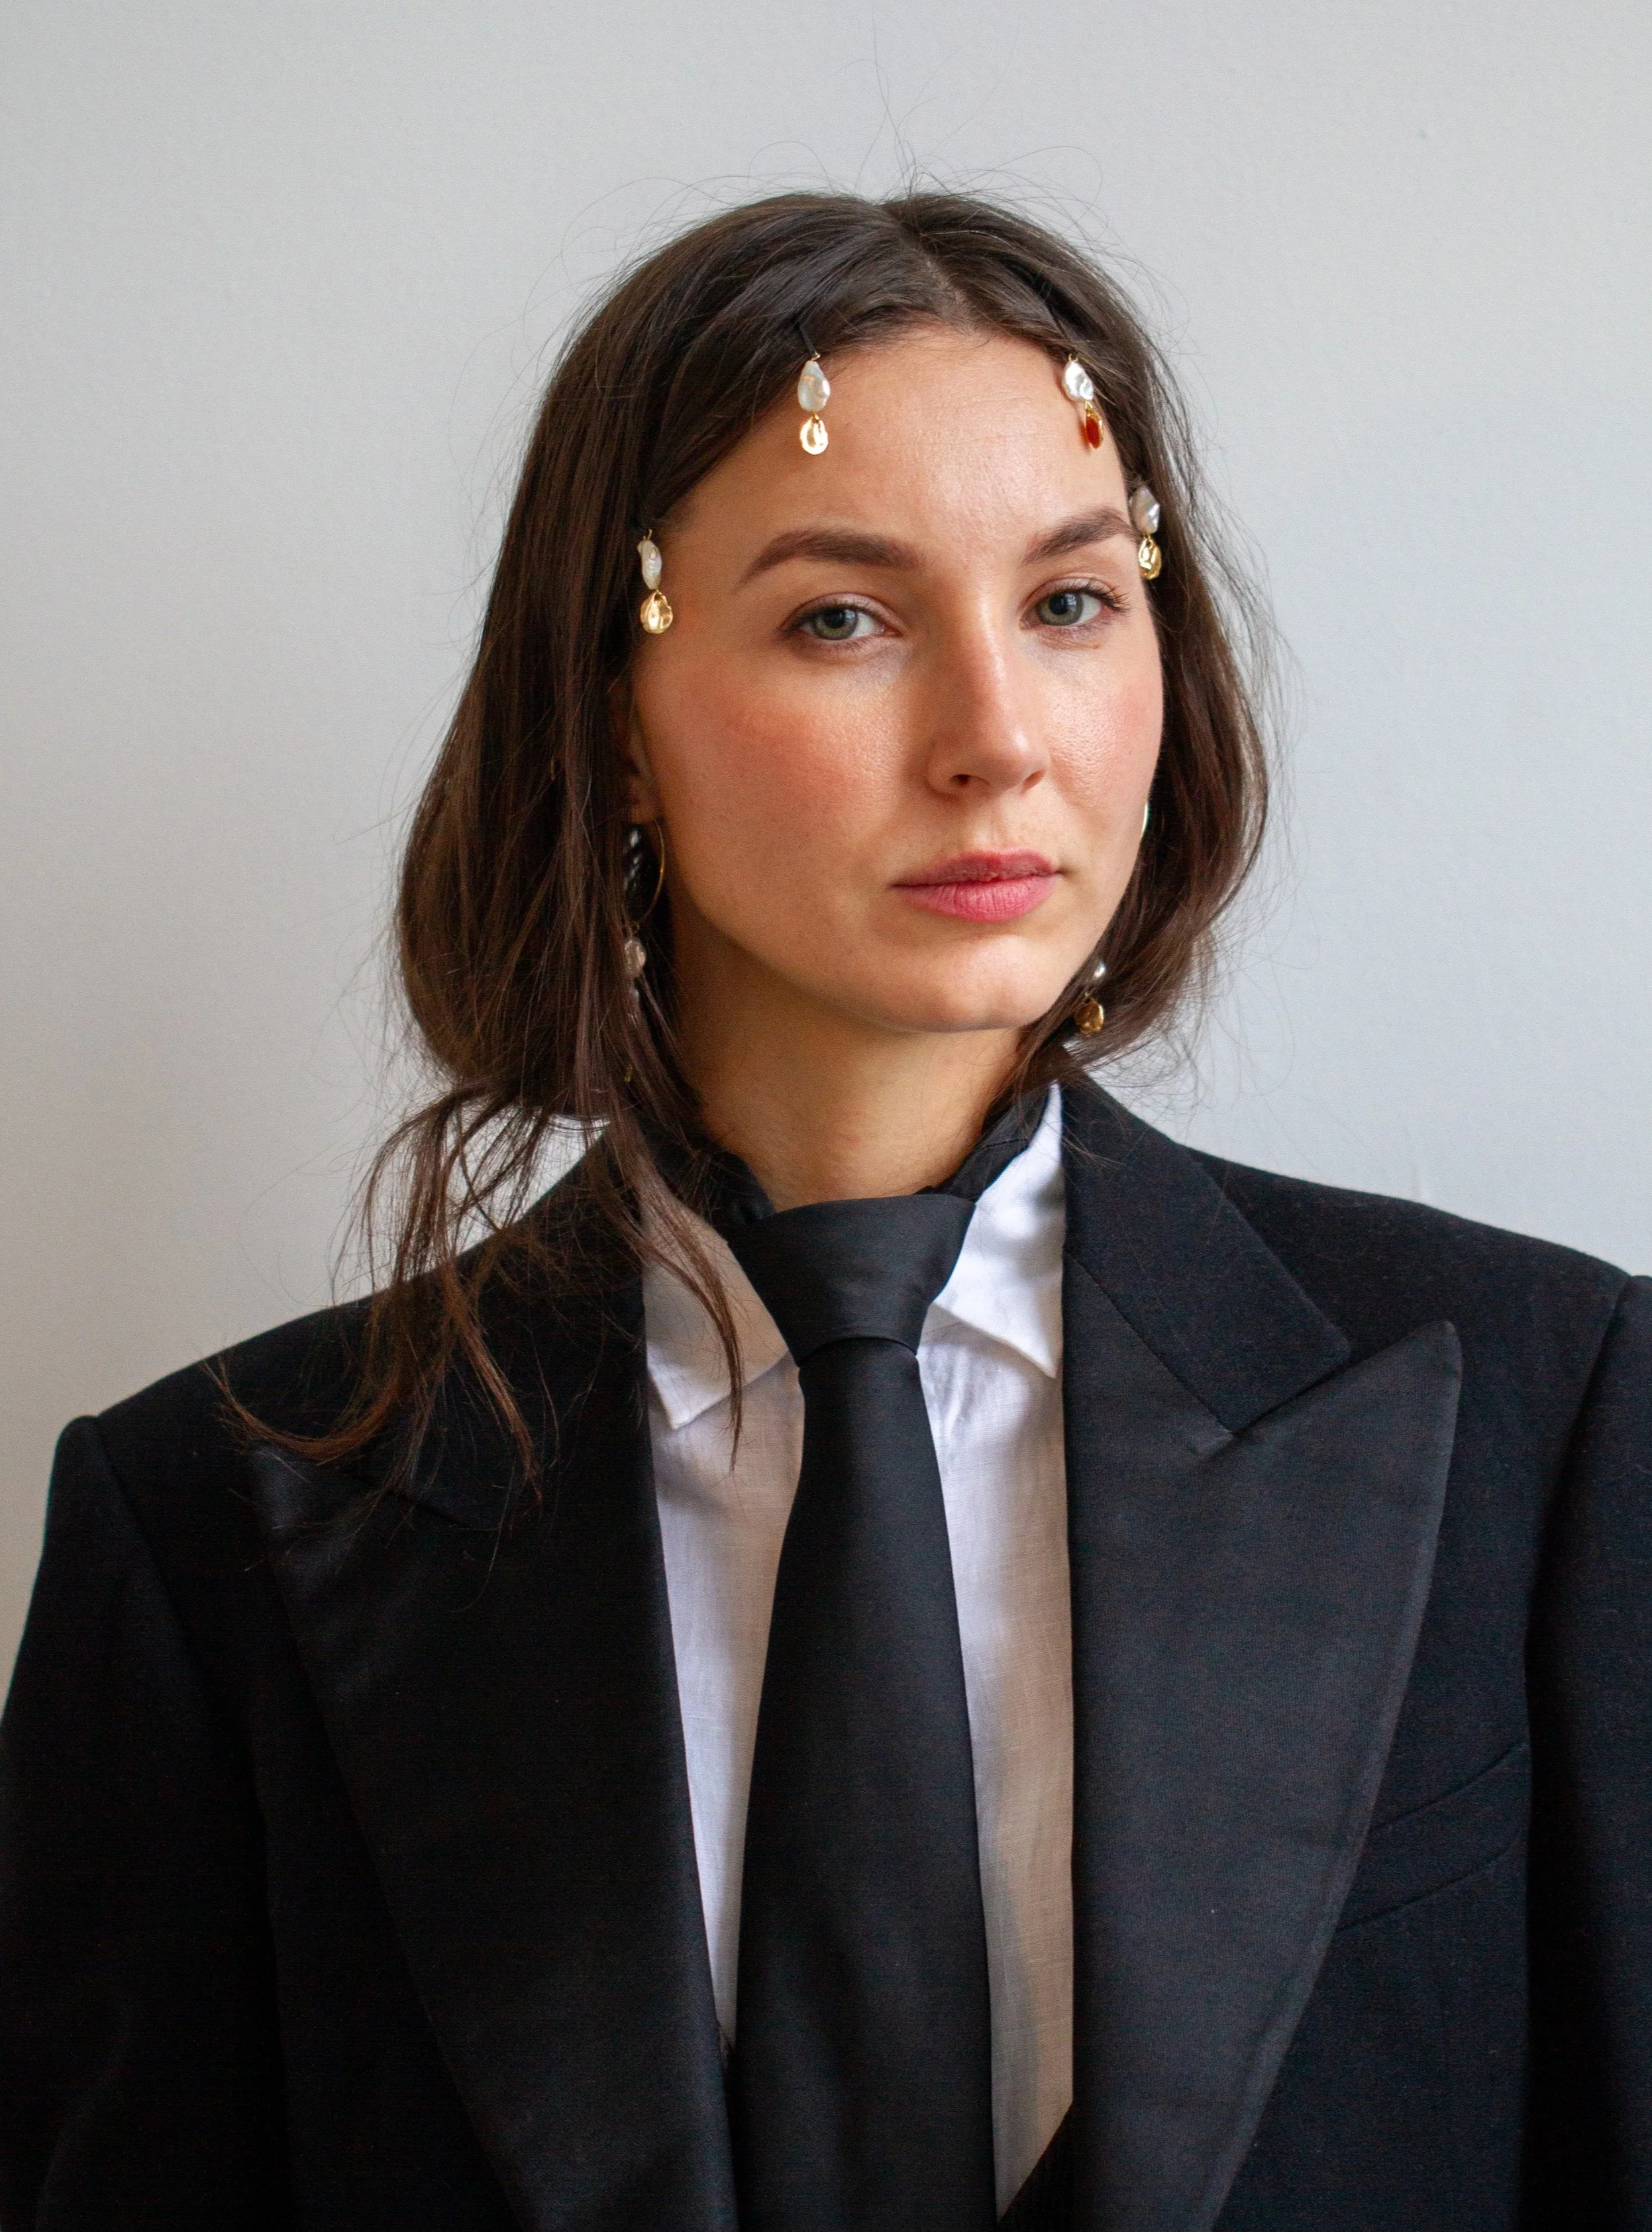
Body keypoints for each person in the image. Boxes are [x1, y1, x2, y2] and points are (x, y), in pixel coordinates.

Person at [0, 189, 1647, 2232]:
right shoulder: (212, 1527)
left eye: (1069, 602)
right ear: (612, 710)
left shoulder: (1545, 1410)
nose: (996, 742)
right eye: (841, 618)